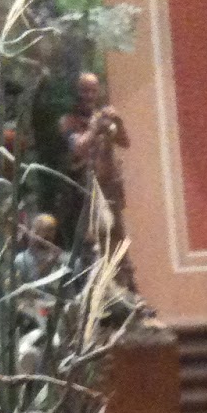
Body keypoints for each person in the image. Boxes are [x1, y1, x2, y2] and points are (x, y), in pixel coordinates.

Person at [61, 72, 135, 288]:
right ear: (77, 93)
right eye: (85, 91)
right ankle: (92, 288)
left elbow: (124, 142)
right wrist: (94, 128)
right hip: (85, 191)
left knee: (117, 237)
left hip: (109, 188)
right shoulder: (68, 121)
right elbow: (78, 147)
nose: (89, 96)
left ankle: (125, 286)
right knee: (91, 241)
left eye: (93, 91)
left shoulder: (103, 117)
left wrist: (118, 122)